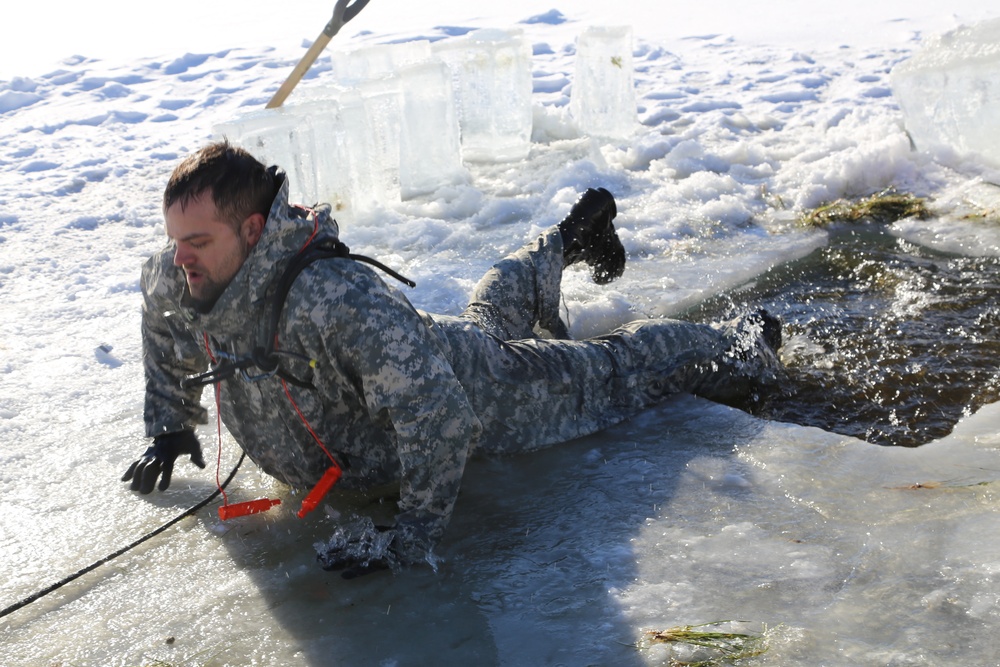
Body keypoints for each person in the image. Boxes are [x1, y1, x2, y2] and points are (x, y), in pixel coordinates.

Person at [123, 141, 782, 577]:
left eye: (197, 240)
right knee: (486, 326)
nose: (179, 258)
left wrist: (407, 539)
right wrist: (170, 421)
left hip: (480, 389)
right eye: (175, 238)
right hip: (422, 357)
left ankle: (741, 343)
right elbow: (159, 308)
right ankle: (565, 240)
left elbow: (441, 415)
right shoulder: (183, 270)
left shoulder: (338, 303)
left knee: (609, 374)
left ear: (252, 231)